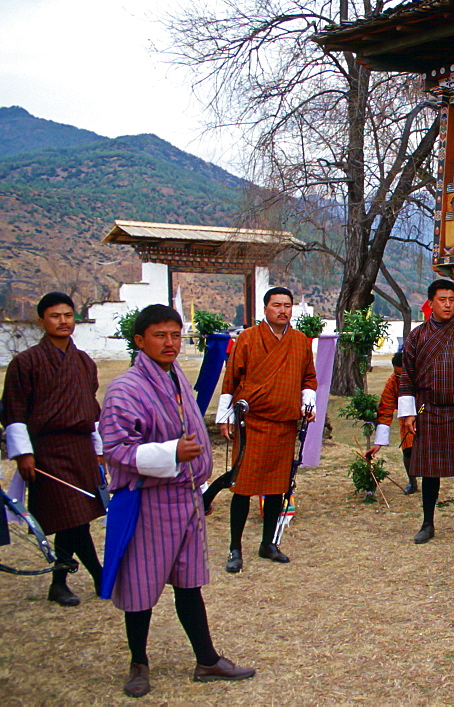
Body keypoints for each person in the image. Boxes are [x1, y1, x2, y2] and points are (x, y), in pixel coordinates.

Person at [100, 304, 254, 698]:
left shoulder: (177, 378)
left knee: (188, 583)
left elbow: (193, 438)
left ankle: (207, 659)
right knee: (140, 585)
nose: (170, 343)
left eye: (175, 335)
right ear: (139, 341)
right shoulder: (125, 389)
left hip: (185, 499)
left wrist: (200, 487)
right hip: (149, 501)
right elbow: (116, 449)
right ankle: (138, 662)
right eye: (160, 335)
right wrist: (171, 455)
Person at [1, 292, 106, 606]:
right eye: (55, 316)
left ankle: (59, 583)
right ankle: (101, 576)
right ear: (41, 321)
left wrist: (98, 451)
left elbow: (92, 410)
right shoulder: (25, 362)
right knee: (70, 516)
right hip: (47, 449)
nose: (63, 321)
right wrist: (24, 454)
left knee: (74, 519)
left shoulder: (85, 362)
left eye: (68, 315)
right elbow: (14, 411)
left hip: (80, 448)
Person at [216, 287, 317, 572]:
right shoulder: (247, 339)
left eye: (287, 305)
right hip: (252, 424)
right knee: (242, 487)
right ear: (265, 309)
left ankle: (268, 543)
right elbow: (231, 379)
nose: (283, 310)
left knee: (277, 488)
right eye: (277, 305)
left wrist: (307, 403)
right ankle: (235, 548)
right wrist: (226, 417)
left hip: (285, 424)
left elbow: (309, 378)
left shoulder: (300, 341)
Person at [399, 279, 454, 544]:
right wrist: (408, 413)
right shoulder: (417, 336)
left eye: (451, 299)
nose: (448, 304)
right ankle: (427, 524)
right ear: (430, 303)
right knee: (429, 472)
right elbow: (407, 377)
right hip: (429, 408)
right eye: (442, 300)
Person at [365, 351, 418, 495]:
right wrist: (379, 443)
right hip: (405, 419)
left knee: (429, 452)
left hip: (426, 417)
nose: (399, 378)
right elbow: (385, 409)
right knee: (408, 451)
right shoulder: (392, 382)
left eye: (402, 375)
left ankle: (430, 483)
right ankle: (412, 482)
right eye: (397, 374)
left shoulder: (422, 378)